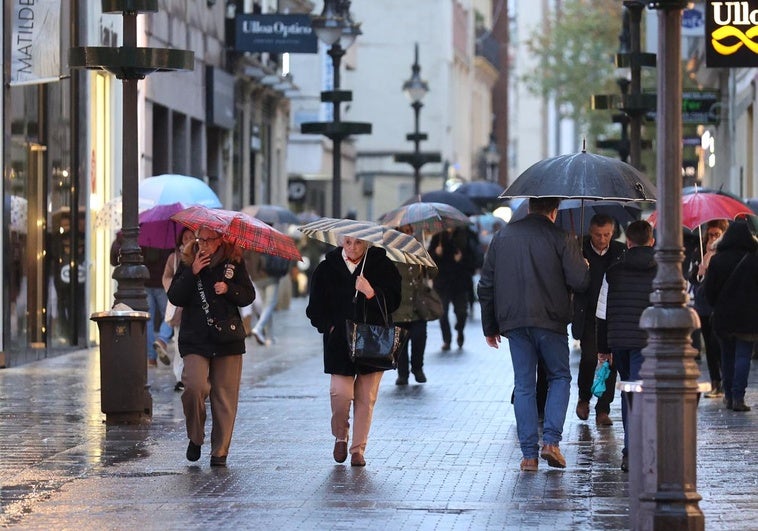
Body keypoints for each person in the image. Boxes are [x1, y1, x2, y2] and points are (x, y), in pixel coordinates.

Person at [478, 197, 589, 472]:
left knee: (524, 384)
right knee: (560, 377)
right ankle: (551, 442)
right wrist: (583, 264)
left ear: (529, 208)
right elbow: (580, 282)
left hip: (514, 323)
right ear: (554, 211)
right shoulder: (562, 237)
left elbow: (485, 285)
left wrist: (490, 326)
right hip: (551, 321)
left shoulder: (502, 238)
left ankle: (529, 456)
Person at [306, 236, 401, 467]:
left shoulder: (382, 265)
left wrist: (371, 292)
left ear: (367, 243)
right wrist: (328, 326)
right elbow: (314, 308)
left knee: (365, 399)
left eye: (358, 242)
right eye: (347, 242)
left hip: (372, 341)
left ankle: (358, 449)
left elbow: (396, 301)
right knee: (340, 394)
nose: (352, 247)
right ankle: (340, 435)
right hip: (339, 342)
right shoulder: (327, 267)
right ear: (340, 242)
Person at [167, 226, 255, 467]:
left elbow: (248, 295)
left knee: (225, 396)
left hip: (228, 338)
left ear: (220, 240)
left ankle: (220, 451)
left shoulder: (233, 260)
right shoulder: (188, 259)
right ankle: (195, 437)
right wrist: (193, 272)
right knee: (194, 386)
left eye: (208, 240)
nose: (202, 244)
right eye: (200, 239)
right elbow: (175, 296)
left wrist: (229, 289)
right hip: (196, 337)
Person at [595, 220, 657, 472]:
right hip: (650, 341)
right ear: (651, 241)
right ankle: (643, 450)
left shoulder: (614, 270)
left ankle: (631, 451)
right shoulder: (664, 268)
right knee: (646, 394)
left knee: (629, 391)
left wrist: (603, 348)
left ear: (628, 242)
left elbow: (602, 313)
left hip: (620, 341)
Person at [573, 214, 625, 426]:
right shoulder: (578, 249)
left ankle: (603, 407)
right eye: (597, 235)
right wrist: (579, 267)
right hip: (588, 314)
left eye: (606, 235)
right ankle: (584, 398)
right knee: (588, 358)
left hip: (612, 313)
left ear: (612, 233)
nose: (602, 239)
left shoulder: (621, 251)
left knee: (610, 361)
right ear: (590, 233)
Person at [703, 218, 758, 412]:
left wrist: (716, 304)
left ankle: (727, 395)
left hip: (723, 316)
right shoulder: (754, 259)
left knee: (726, 355)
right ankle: (738, 397)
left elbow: (709, 290)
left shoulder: (718, 259)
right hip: (749, 317)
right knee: (743, 356)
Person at [110, 233, 173, 367]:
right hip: (162, 283)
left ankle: (151, 358)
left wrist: (119, 237)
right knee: (170, 314)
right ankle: (162, 340)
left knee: (148, 320)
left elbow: (113, 259)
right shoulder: (166, 234)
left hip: (144, 282)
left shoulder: (138, 235)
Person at [687, 219, 728, 398]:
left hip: (719, 306)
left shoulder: (725, 252)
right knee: (710, 347)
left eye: (716, 235)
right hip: (703, 305)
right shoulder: (700, 251)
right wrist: (700, 270)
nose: (712, 238)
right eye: (710, 234)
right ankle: (715, 382)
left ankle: (725, 380)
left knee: (719, 344)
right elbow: (693, 278)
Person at [392, 224, 433, 386]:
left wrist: (426, 258)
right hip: (398, 306)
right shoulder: (391, 252)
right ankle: (402, 374)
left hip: (417, 305)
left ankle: (417, 368)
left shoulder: (418, 249)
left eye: (411, 230)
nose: (409, 233)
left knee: (419, 338)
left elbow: (433, 272)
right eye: (406, 230)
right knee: (400, 343)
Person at [429, 226, 478, 350]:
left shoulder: (465, 237)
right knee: (442, 313)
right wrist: (436, 253)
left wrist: (460, 260)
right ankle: (447, 340)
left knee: (461, 312)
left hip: (459, 283)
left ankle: (460, 330)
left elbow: (473, 261)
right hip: (442, 283)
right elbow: (430, 260)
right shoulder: (438, 238)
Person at [160, 228, 195, 391]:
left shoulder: (198, 255)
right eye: (185, 237)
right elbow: (166, 277)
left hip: (194, 306)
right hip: (179, 306)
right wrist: (173, 289)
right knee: (179, 341)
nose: (188, 240)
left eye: (191, 237)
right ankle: (180, 376)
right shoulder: (174, 258)